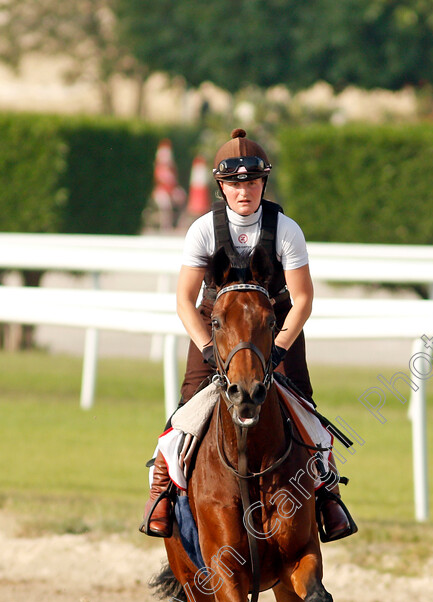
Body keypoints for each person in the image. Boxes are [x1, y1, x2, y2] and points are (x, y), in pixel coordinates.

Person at [141, 128, 355, 541]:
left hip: (273, 325)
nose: (245, 191)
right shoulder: (202, 229)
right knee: (187, 407)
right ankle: (162, 491)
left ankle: (327, 495)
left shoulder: (286, 229)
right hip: (216, 326)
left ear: (263, 184)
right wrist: (206, 346)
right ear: (221, 186)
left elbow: (303, 298)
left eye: (252, 182)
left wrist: (277, 349)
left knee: (305, 408)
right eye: (236, 183)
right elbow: (185, 299)